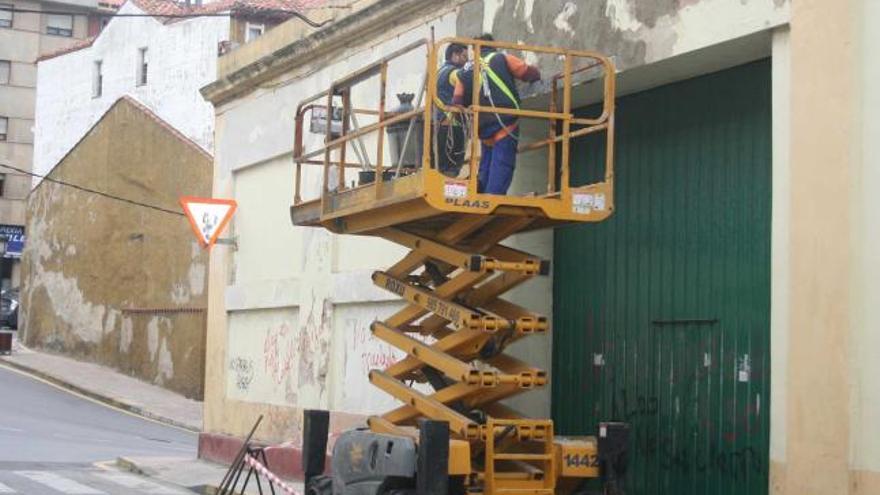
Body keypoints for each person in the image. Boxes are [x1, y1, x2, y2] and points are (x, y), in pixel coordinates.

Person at [452, 34, 540, 194]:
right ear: (493, 45)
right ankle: (492, 198)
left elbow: (457, 100)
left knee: (486, 163)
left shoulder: (463, 71)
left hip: (482, 127)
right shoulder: (501, 58)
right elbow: (528, 73)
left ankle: (480, 193)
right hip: (504, 121)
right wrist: (537, 74)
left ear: (475, 49)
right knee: (502, 164)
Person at [434, 43, 468, 177]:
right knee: (452, 169)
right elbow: (465, 81)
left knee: (441, 170)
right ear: (455, 55)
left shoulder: (439, 72)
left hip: (438, 126)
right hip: (453, 128)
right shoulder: (453, 72)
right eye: (464, 56)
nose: (466, 60)